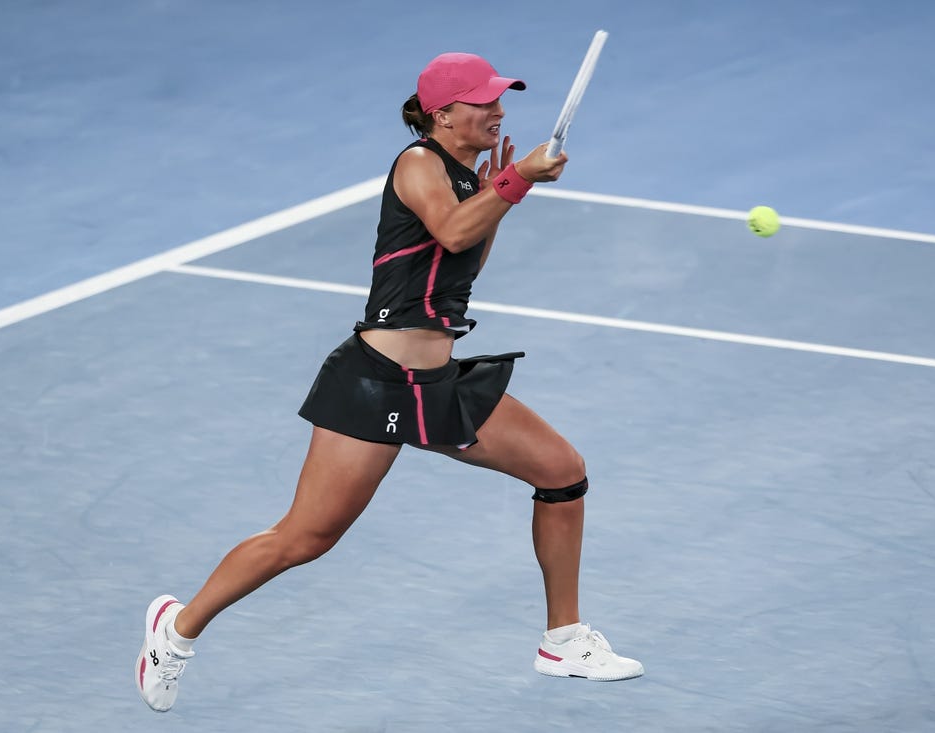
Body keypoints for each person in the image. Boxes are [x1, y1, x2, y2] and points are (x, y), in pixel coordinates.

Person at [136, 51, 643, 713]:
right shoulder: (418, 164)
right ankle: (175, 630)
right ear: (442, 114)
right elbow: (454, 226)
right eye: (484, 101)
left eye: (500, 99)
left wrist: (499, 193)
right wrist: (515, 179)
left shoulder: (465, 175)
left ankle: (563, 640)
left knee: (561, 471)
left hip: (437, 381)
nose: (498, 110)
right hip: (374, 385)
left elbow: (461, 253)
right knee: (305, 538)